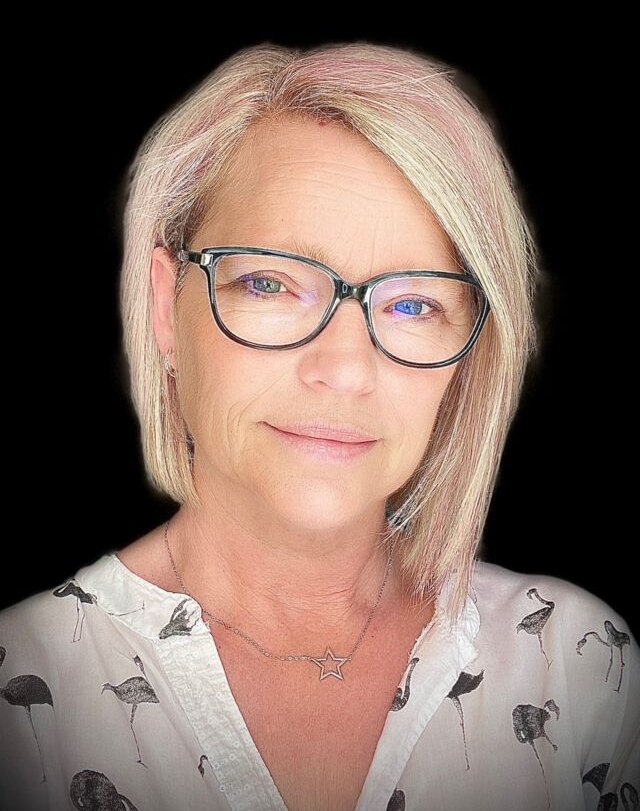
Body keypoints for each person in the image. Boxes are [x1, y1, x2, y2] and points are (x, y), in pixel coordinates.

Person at [0, 41, 637, 811]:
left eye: (413, 304)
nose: (344, 368)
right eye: (270, 283)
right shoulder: (19, 684)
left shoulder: (579, 668)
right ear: (166, 307)